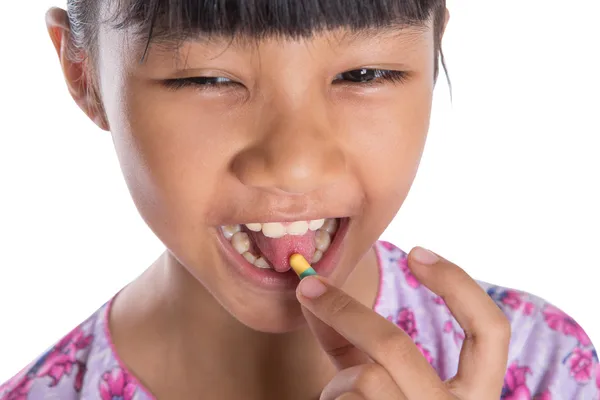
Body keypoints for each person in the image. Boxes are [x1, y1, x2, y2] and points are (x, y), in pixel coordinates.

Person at [1, 1, 597, 399]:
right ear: (83, 72)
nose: (294, 163)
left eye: (363, 75)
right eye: (205, 78)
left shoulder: (543, 369)